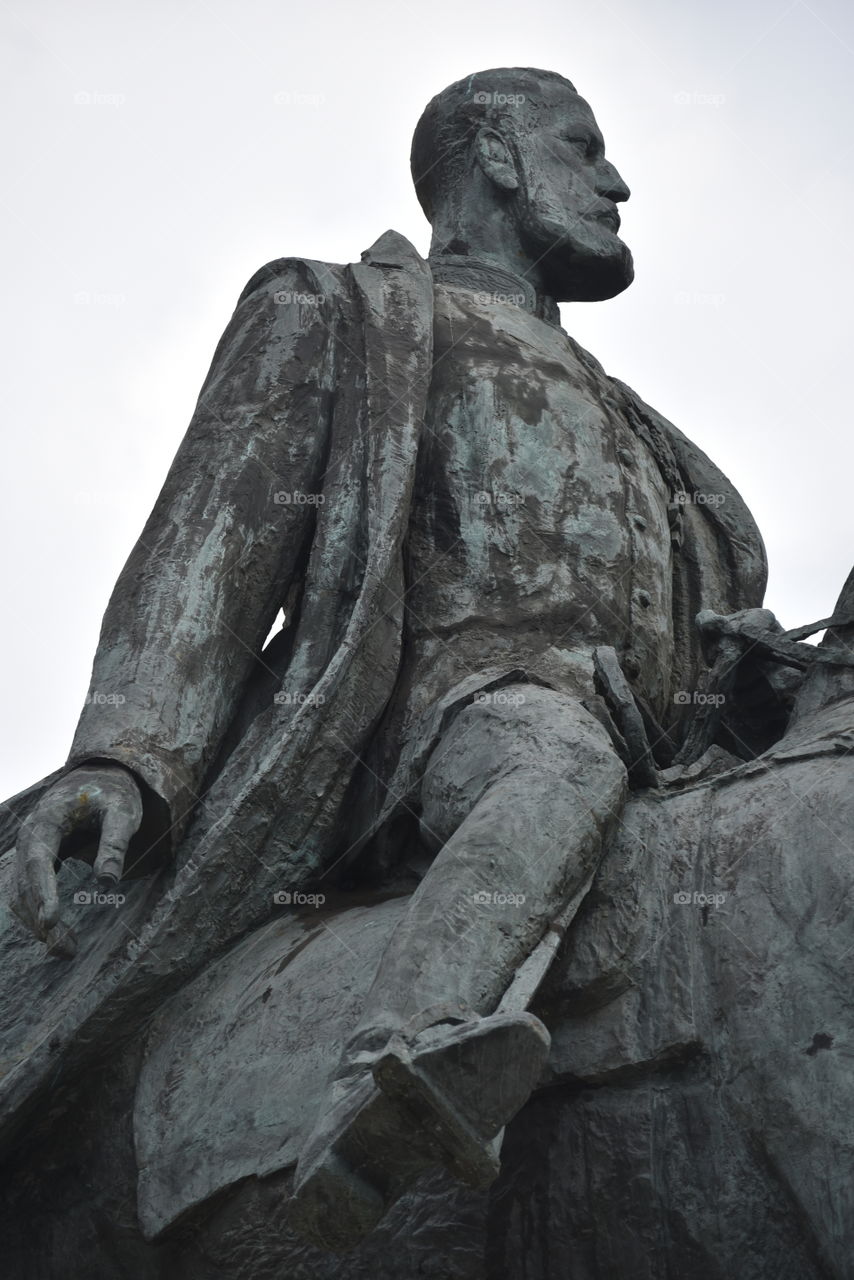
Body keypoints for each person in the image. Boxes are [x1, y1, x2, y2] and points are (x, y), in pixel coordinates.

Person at [10, 68, 767, 1248]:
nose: (615, 182)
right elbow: (214, 538)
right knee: (550, 760)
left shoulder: (654, 439)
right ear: (498, 156)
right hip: (424, 722)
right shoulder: (341, 313)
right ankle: (391, 1070)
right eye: (582, 148)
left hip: (650, 742)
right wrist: (123, 749)